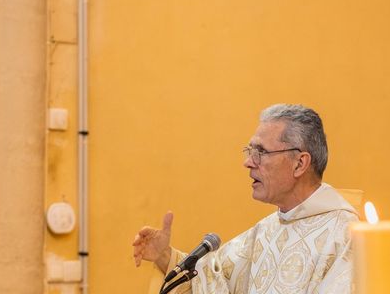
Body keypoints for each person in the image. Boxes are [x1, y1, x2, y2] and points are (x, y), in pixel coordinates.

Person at [133, 103, 358, 293]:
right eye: (250, 151)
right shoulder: (265, 231)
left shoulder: (346, 236)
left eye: (261, 152)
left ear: (300, 163)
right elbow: (210, 279)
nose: (249, 162)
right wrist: (164, 256)